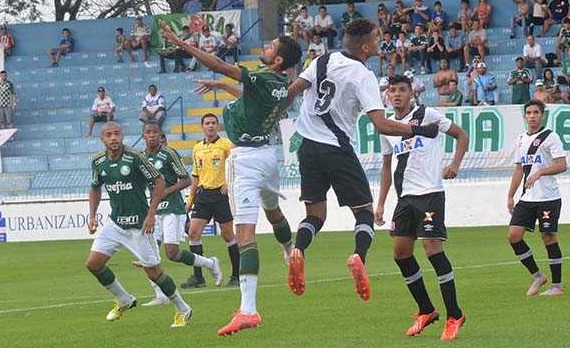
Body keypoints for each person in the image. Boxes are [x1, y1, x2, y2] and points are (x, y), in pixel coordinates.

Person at [161, 20, 303, 336]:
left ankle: (249, 311)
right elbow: (258, 97)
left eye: (271, 47)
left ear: (279, 60)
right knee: (274, 211)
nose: (265, 48)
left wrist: (183, 45)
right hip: (268, 157)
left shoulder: (263, 75)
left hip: (245, 160)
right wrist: (224, 89)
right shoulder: (279, 83)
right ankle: (289, 251)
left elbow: (222, 65)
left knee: (245, 235)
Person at [282, 18, 440, 302]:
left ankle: (298, 250)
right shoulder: (362, 75)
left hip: (306, 146)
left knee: (315, 214)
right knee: (365, 211)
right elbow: (382, 125)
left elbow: (294, 90)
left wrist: (272, 115)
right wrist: (420, 130)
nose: (379, 42)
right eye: (377, 38)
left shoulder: (321, 60)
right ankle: (358, 257)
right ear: (366, 46)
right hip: (337, 149)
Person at [377, 74, 469, 340]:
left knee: (432, 249)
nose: (396, 94)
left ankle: (455, 314)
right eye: (392, 90)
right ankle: (426, 310)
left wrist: (454, 165)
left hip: (430, 194)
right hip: (405, 199)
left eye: (402, 90)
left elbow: (460, 135)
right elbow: (386, 166)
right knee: (400, 253)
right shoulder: (387, 126)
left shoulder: (427, 114)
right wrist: (381, 202)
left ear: (411, 93)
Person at [85, 121, 192, 326]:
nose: (113, 138)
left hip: (140, 226)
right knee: (93, 264)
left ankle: (182, 307)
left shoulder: (135, 157)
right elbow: (95, 187)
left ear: (122, 136)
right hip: (115, 224)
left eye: (117, 133)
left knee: (154, 272)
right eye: (109, 135)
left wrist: (152, 214)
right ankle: (124, 299)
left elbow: (159, 181)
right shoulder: (98, 161)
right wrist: (92, 216)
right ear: (103, 139)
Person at [139, 122, 224, 306]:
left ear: (159, 135)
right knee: (148, 253)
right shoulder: (142, 157)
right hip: (155, 210)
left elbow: (186, 180)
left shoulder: (169, 154)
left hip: (172, 208)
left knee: (171, 253)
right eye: (148, 132)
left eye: (155, 132)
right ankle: (160, 296)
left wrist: (166, 191)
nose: (152, 135)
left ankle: (210, 263)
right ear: (143, 136)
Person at [506, 100, 568, 297]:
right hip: (527, 197)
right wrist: (510, 195)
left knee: (548, 237)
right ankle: (537, 276)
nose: (532, 116)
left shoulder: (551, 137)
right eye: (529, 113)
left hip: (548, 196)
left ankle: (556, 286)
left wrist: (540, 173)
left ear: (543, 115)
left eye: (536, 112)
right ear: (525, 116)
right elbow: (518, 169)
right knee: (513, 236)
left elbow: (562, 165)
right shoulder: (521, 139)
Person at [179, 114, 239, 289]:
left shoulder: (226, 145)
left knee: (228, 235)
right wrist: (190, 200)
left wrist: (229, 182)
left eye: (213, 123)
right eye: (207, 123)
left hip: (221, 196)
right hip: (203, 196)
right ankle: (198, 278)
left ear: (217, 126)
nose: (210, 126)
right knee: (193, 233)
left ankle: (236, 275)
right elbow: (195, 176)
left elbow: (237, 165)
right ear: (202, 127)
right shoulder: (197, 148)